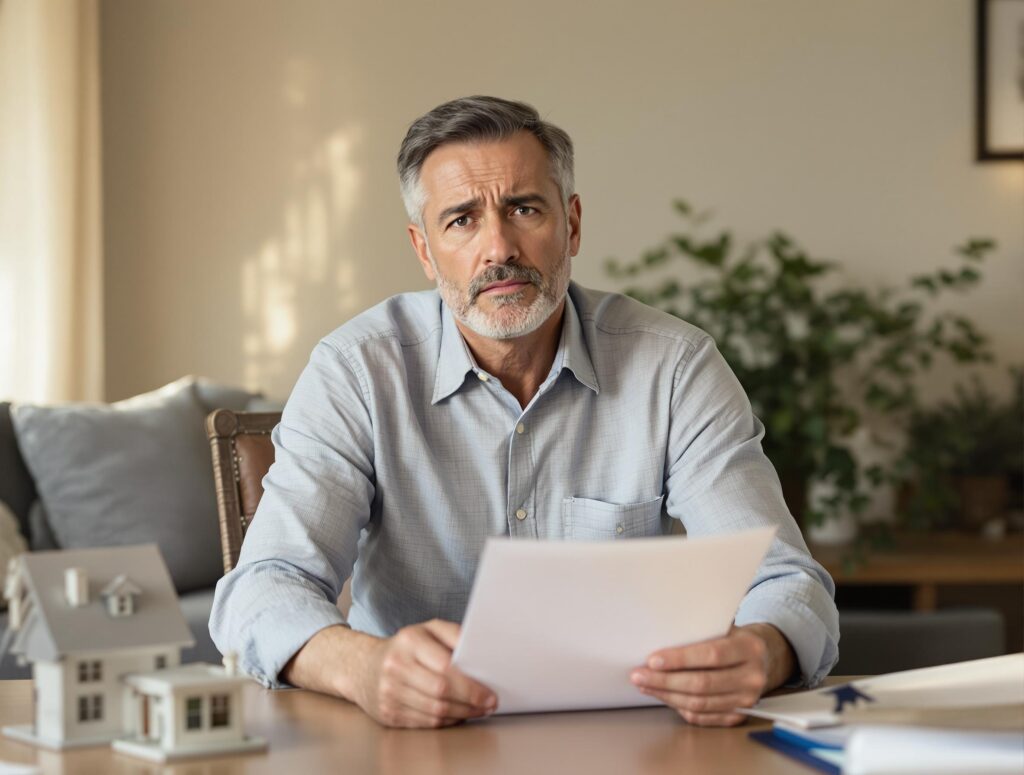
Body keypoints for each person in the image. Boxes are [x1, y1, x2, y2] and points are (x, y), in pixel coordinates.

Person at [210, 95, 839, 730]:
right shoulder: (355, 371)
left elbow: (787, 582)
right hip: (414, 744)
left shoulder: (674, 368)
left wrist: (764, 649)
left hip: (627, 740)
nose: (499, 248)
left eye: (523, 208)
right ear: (424, 250)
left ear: (571, 223)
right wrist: (364, 668)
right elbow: (260, 590)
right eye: (460, 220)